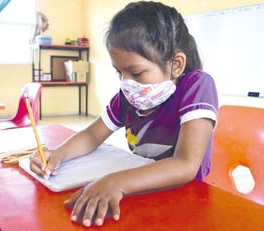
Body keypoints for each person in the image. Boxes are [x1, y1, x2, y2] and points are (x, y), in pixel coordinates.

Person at [30, 1, 218, 227]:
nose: (126, 83)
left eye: (136, 72)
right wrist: (58, 154)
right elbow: (92, 136)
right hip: (138, 194)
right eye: (119, 72)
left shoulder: (197, 86)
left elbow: (186, 164)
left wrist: (115, 182)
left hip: (183, 199)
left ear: (176, 65)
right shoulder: (128, 96)